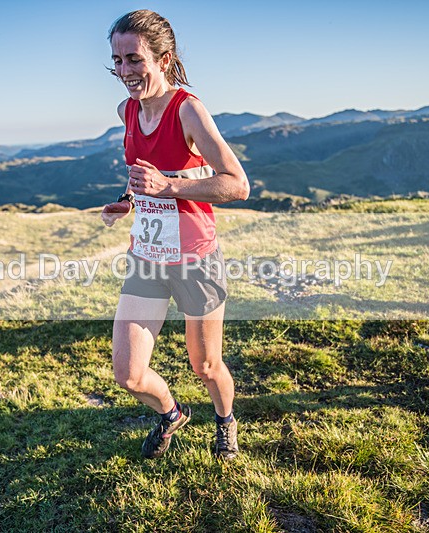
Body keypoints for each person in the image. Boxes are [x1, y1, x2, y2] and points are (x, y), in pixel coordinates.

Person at [101, 10, 250, 461]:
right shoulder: (127, 110)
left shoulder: (187, 109)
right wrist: (129, 200)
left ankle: (225, 422)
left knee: (205, 365)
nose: (125, 71)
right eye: (117, 61)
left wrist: (170, 188)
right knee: (127, 373)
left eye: (134, 59)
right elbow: (143, 173)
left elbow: (236, 183)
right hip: (147, 258)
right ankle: (171, 413)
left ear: (163, 60)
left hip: (195, 259)